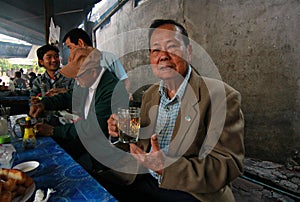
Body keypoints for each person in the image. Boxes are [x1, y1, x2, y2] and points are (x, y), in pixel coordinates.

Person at [106, 19, 245, 201]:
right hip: (144, 177)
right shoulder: (150, 94)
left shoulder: (222, 97)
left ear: (188, 52)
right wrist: (120, 132)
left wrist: (166, 167)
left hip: (190, 192)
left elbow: (227, 165)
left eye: (171, 47)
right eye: (156, 50)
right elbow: (138, 143)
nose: (163, 56)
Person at [29, 42, 128, 173]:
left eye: (78, 75)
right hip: (88, 141)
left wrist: (53, 131)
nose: (76, 79)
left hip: (103, 150)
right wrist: (44, 103)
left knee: (64, 168)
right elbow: (70, 97)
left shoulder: (111, 89)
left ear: (93, 72)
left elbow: (92, 127)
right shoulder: (87, 82)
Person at [62, 28, 131, 96]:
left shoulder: (107, 57)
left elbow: (124, 81)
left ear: (80, 43)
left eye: (70, 47)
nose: (70, 52)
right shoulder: (76, 66)